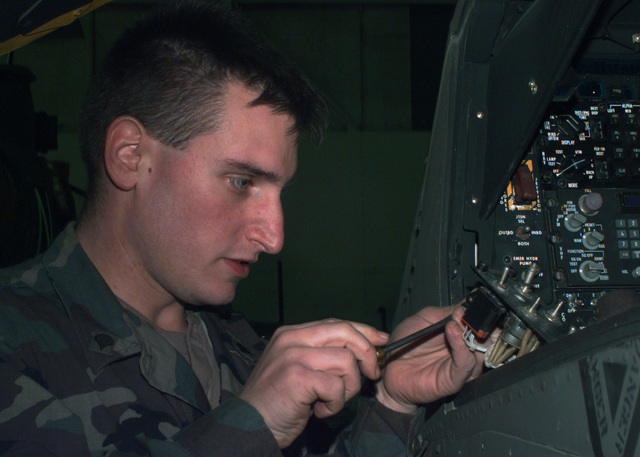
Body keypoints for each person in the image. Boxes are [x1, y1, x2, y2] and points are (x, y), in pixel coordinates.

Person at [0, 1, 483, 455]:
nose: (274, 237)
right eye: (241, 181)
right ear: (131, 157)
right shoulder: (14, 341)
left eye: (279, 192)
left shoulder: (242, 350)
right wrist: (252, 424)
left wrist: (393, 403)